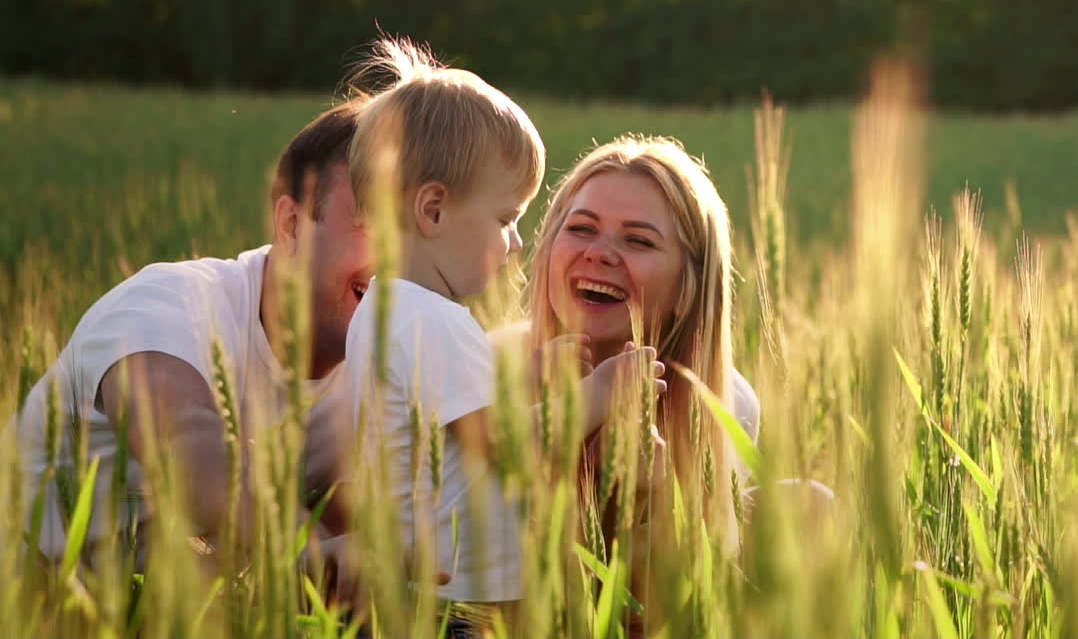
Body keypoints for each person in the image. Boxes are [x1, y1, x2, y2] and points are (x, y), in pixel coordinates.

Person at [341, 39, 657, 610]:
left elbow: (458, 430)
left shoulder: (387, 310)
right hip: (455, 602)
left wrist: (528, 379)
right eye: (505, 218)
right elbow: (510, 447)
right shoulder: (435, 321)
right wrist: (601, 392)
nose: (515, 243)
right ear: (433, 210)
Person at [18, 101, 373, 564]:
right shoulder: (166, 304)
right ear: (291, 226)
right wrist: (315, 559)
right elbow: (187, 445)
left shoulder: (390, 374)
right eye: (375, 226)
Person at [512, 134, 762, 630]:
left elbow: (680, 615)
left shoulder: (725, 404)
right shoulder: (491, 367)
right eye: (581, 228)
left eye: (639, 240)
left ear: (688, 285)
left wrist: (651, 509)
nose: (600, 253)